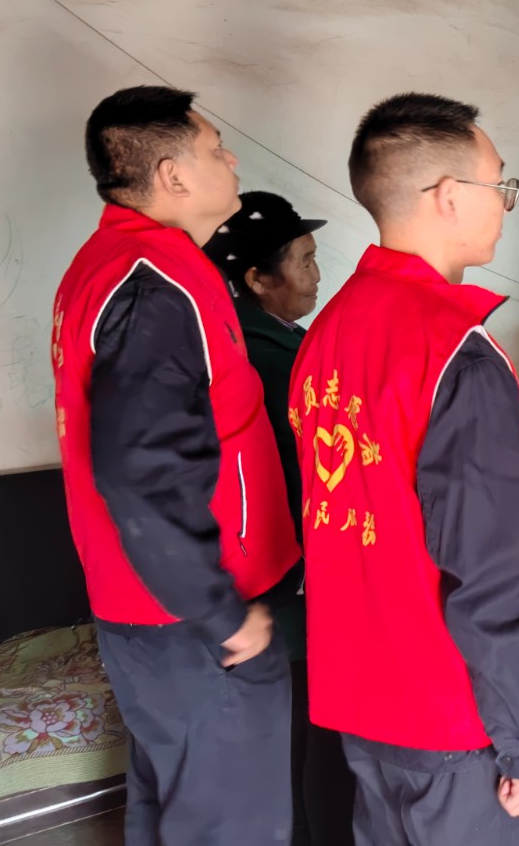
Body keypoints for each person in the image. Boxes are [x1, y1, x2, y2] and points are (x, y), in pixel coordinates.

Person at [290, 92, 519, 846]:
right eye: (500, 185)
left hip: (360, 700)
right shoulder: (453, 351)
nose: (506, 204)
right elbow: (497, 570)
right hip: (453, 716)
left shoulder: (327, 331)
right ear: (448, 196)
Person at [50, 85, 302, 844]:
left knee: (174, 807)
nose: (232, 160)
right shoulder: (154, 282)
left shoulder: (113, 262)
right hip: (196, 620)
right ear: (172, 175)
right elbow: (139, 464)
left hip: (154, 608)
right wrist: (220, 610)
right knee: (233, 821)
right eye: (216, 148)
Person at [207, 193, 354, 845]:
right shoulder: (267, 361)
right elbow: (303, 480)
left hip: (277, 580)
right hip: (284, 583)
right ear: (258, 280)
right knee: (305, 745)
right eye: (304, 261)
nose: (317, 275)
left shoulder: (261, 340)